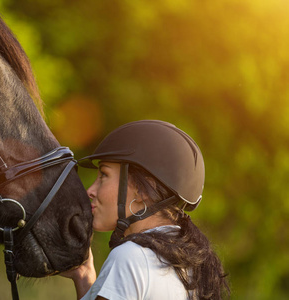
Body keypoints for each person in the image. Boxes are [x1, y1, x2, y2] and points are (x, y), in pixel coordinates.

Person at [61, 120, 230, 300]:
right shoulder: (191, 268)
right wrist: (84, 275)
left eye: (104, 175)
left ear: (142, 191)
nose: (90, 191)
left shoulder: (130, 257)